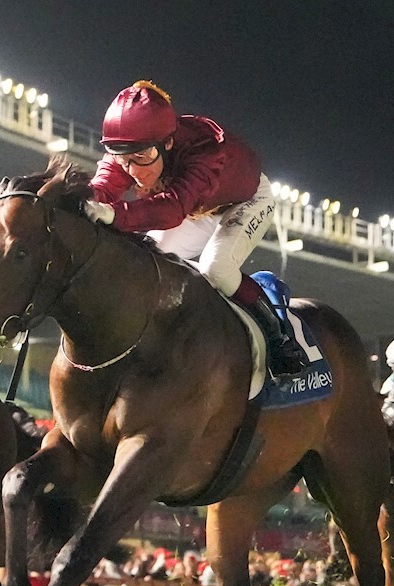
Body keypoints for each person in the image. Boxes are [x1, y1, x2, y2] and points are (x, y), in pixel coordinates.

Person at [85, 80, 308, 380]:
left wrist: (114, 214)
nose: (133, 171)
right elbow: (100, 188)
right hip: (196, 208)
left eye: (142, 158)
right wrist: (80, 201)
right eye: (123, 158)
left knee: (216, 268)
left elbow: (172, 209)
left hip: (244, 201)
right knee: (149, 262)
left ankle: (279, 338)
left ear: (167, 143)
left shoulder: (204, 147)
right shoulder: (131, 151)